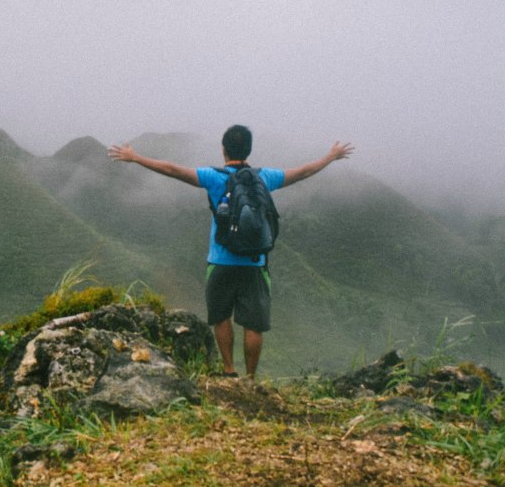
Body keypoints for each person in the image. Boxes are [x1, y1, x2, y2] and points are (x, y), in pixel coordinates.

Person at [108, 125, 354, 379]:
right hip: (255, 262)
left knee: (221, 316)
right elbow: (303, 172)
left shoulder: (215, 178)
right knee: (253, 324)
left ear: (223, 149)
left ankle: (228, 370)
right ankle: (250, 379)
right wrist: (330, 156)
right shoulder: (264, 178)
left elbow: (172, 170)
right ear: (249, 150)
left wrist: (135, 158)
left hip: (221, 261)